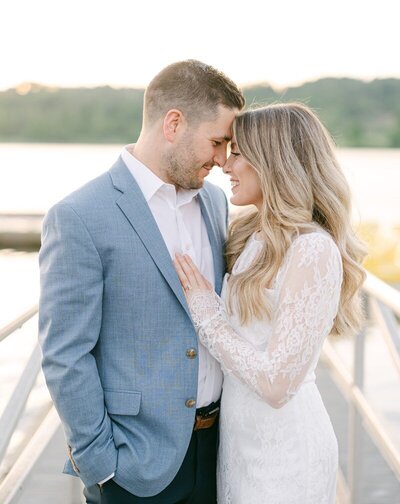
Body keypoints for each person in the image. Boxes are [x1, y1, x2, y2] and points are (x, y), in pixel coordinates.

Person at [38, 59, 245, 504]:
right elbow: (64, 352)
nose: (222, 158)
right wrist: (101, 464)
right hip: (133, 468)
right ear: (173, 123)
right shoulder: (79, 216)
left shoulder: (213, 202)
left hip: (219, 452)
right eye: (217, 141)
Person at [174, 102, 366, 504]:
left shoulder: (312, 249)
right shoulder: (251, 235)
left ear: (274, 161)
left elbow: (278, 385)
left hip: (285, 457)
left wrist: (208, 317)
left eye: (239, 153)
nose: (226, 165)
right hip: (239, 445)